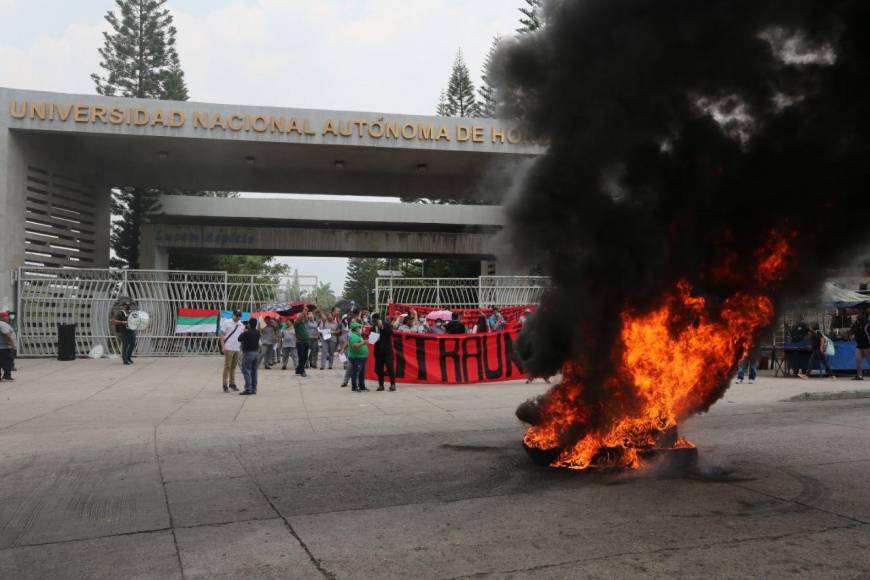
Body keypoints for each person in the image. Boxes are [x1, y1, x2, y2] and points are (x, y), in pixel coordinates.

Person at [219, 310, 244, 392]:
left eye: (239, 316)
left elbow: (243, 333)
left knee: (233, 367)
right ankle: (224, 384)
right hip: (228, 348)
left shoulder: (240, 324)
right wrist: (223, 347)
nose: (238, 317)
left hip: (236, 348)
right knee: (227, 366)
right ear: (233, 315)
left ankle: (232, 383)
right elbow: (222, 334)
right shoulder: (227, 322)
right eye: (236, 315)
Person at [371, 313, 396, 391]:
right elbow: (372, 339)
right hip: (378, 351)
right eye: (373, 321)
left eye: (375, 320)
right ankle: (381, 385)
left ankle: (393, 384)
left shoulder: (386, 324)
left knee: (390, 367)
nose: (374, 322)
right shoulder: (372, 328)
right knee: (379, 369)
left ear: (379, 319)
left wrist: (381, 327)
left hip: (387, 351)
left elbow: (390, 333)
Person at [238, 319, 261, 395]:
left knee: (246, 370)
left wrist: (245, 330)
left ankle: (248, 389)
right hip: (256, 353)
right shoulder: (258, 332)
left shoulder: (247, 333)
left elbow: (239, 338)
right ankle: (254, 389)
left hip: (248, 353)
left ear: (249, 324)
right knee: (254, 371)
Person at [111, 301, 137, 365]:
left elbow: (136, 320)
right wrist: (122, 322)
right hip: (123, 332)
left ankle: (128, 358)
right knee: (125, 345)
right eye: (126, 305)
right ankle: (125, 360)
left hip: (131, 331)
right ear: (123, 306)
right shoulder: (120, 313)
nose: (127, 306)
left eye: (128, 305)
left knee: (132, 345)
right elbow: (113, 321)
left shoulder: (132, 313)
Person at [347, 321, 369, 392]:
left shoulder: (358, 335)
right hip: (357, 357)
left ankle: (362, 386)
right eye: (359, 327)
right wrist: (363, 343)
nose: (360, 328)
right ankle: (354, 387)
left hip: (361, 357)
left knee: (361, 372)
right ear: (355, 328)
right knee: (355, 372)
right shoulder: (353, 336)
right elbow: (354, 346)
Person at [851, 311, 870, 381]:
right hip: (859, 346)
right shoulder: (857, 325)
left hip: (867, 346)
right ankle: (859, 375)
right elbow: (852, 331)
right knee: (858, 360)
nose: (857, 320)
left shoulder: (867, 326)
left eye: (858, 319)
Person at [0, 312, 17, 381]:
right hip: (4, 348)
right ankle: (7, 376)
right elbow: (5, 335)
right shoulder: (2, 324)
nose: (7, 318)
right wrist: (12, 344)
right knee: (7, 362)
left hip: (2, 347)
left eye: (7, 316)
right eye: (5, 316)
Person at [294, 313, 310, 377]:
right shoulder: (296, 323)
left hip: (306, 341)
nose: (303, 318)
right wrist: (303, 312)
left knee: (305, 356)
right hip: (300, 342)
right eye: (301, 318)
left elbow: (306, 318)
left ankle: (298, 369)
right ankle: (302, 371)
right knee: (301, 357)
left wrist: (305, 312)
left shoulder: (304, 323)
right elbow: (299, 318)